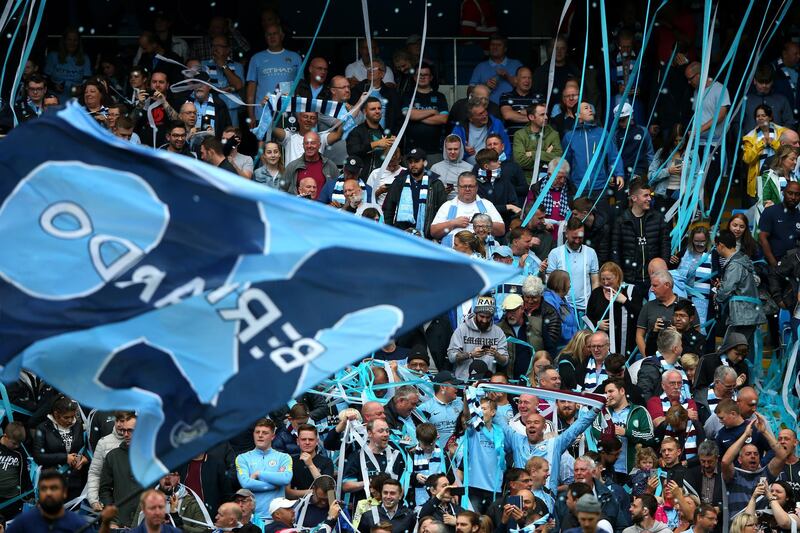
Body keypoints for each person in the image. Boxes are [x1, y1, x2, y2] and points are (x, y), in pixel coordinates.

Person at [684, 61, 731, 220]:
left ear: (699, 75)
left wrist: (700, 130)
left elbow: (721, 114)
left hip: (714, 144)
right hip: (698, 144)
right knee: (695, 181)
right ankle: (695, 215)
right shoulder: (696, 91)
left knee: (712, 182)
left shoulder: (719, 88)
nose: (689, 83)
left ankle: (715, 219)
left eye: (690, 79)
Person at [722, 414, 790, 518]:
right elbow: (725, 461)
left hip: (761, 527)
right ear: (739, 459)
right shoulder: (734, 475)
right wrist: (745, 435)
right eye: (748, 454)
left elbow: (782, 456)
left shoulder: (765, 473)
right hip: (738, 527)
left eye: (756, 454)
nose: (753, 456)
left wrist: (764, 431)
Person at [562, 102, 625, 210]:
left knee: (602, 221)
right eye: (586, 108)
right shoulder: (569, 136)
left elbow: (613, 155)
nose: (590, 110)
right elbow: (566, 163)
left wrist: (618, 173)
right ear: (577, 115)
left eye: (590, 107)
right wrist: (570, 183)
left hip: (600, 187)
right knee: (580, 221)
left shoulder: (602, 132)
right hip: (578, 188)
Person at [714, 229, 766, 353]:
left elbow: (727, 288)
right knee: (743, 350)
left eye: (716, 246)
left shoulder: (734, 264)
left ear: (721, 245)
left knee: (730, 350)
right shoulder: (742, 259)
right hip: (748, 313)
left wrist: (717, 296)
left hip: (741, 314)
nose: (715, 249)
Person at [612, 179, 670, 289]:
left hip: (654, 281)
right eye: (646, 195)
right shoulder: (621, 221)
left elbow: (665, 247)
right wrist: (621, 277)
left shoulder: (658, 219)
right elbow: (615, 252)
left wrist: (661, 273)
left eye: (650, 195)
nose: (649, 198)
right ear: (634, 198)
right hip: (630, 280)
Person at [7, 469, 105, 533]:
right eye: (44, 488)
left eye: (54, 488)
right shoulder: (22, 524)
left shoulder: (78, 524)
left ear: (64, 492)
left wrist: (106, 523)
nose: (48, 493)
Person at [591, 378, 655, 474]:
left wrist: (626, 432)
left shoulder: (640, 411)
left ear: (622, 391)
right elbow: (595, 430)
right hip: (608, 470)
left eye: (611, 391)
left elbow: (649, 436)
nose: (607, 395)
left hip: (634, 471)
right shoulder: (603, 411)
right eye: (606, 392)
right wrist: (610, 433)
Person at [33, 395, 88, 502]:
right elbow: (38, 456)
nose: (70, 420)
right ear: (56, 414)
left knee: (73, 516)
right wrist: (64, 457)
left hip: (74, 481)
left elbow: (83, 447)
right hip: (52, 481)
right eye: (66, 417)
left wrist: (85, 459)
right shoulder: (43, 428)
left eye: (72, 416)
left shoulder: (77, 426)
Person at [235, 418, 293, 518]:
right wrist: (275, 485)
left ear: (273, 436)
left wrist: (259, 474)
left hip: (278, 518)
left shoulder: (284, 457)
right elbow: (246, 483)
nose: (260, 435)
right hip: (254, 519)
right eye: (257, 432)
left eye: (265, 433)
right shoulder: (242, 458)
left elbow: (286, 478)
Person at [246, 23, 302, 126]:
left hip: (288, 113)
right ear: (265, 37)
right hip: (263, 113)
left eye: (275, 34)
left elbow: (300, 88)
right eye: (268, 34)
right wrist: (251, 115)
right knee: (264, 142)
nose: (272, 37)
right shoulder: (256, 58)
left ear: (282, 36)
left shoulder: (295, 57)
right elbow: (251, 89)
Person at [430, 171, 505, 244]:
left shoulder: (487, 204)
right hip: (452, 253)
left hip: (482, 252)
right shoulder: (447, 206)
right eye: (464, 186)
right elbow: (434, 232)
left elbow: (501, 230)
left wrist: (484, 223)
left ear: (476, 187)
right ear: (458, 188)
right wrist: (453, 223)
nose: (467, 189)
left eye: (471, 186)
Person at [586, 262, 641, 357]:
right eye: (602, 279)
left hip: (626, 342)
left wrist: (625, 301)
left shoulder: (630, 291)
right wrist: (597, 324)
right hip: (603, 345)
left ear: (618, 277)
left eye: (609, 279)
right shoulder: (596, 293)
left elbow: (640, 314)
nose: (606, 282)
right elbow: (588, 317)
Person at [546, 216, 600, 314]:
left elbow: (595, 281)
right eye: (574, 237)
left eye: (580, 237)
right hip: (561, 308)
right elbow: (550, 283)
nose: (577, 241)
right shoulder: (555, 253)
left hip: (585, 308)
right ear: (566, 234)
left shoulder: (591, 252)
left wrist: (594, 304)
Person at [447, 295, 509, 379]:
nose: (484, 320)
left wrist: (496, 355)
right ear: (476, 313)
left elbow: (505, 361)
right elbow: (451, 357)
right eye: (482, 316)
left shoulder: (498, 332)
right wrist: (470, 354)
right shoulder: (462, 330)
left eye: (488, 317)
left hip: (487, 382)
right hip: (463, 380)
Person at [99, 415, 143, 527]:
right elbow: (104, 490)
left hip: (145, 521)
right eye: (123, 431)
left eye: (130, 431)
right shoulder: (113, 456)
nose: (126, 434)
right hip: (119, 521)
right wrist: (112, 517)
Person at [88, 411, 136, 513]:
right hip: (113, 502)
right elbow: (95, 473)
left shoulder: (142, 444)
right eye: (116, 420)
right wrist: (93, 500)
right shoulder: (103, 443)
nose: (119, 424)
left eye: (122, 421)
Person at [744, 104, 788, 205]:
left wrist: (773, 143)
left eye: (763, 115)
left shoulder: (783, 132)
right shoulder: (749, 137)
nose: (760, 118)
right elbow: (747, 159)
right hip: (759, 178)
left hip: (780, 174)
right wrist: (760, 144)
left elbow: (787, 152)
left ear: (770, 117)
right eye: (758, 116)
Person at [403, 64, 449, 154]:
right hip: (412, 150)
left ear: (431, 77)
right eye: (419, 75)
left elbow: (443, 119)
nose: (422, 77)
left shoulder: (439, 96)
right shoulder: (408, 96)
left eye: (426, 75)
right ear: (414, 77)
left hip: (435, 150)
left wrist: (417, 117)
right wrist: (432, 111)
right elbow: (408, 114)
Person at [513, 102, 563, 183]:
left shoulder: (553, 134)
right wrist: (545, 158)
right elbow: (520, 161)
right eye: (542, 115)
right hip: (526, 181)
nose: (546, 117)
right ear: (531, 117)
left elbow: (558, 159)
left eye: (546, 114)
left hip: (548, 182)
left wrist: (534, 154)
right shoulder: (520, 135)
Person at [636, 270, 683, 357]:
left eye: (655, 286)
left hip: (679, 358)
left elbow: (696, 332)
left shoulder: (685, 304)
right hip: (654, 358)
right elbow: (639, 335)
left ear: (667, 285)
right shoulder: (648, 306)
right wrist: (647, 357)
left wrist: (678, 333)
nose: (652, 289)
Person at [450, 99, 511, 165]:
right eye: (480, 114)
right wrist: (463, 150)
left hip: (494, 165)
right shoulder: (459, 128)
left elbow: (506, 148)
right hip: (466, 168)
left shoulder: (496, 124)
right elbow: (450, 150)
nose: (484, 115)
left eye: (485, 111)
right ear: (471, 118)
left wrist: (499, 164)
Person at [347, 97, 396, 178]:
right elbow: (352, 151)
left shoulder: (386, 134)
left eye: (379, 108)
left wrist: (394, 148)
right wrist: (375, 144)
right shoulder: (356, 132)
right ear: (365, 112)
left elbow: (393, 159)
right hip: (363, 179)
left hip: (383, 179)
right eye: (373, 109)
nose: (377, 111)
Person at [468, 35, 523, 104]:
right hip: (487, 109)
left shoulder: (516, 64)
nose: (495, 47)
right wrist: (484, 86)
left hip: (512, 107)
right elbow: (469, 93)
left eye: (499, 45)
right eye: (492, 45)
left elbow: (525, 88)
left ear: (505, 49)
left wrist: (507, 77)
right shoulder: (480, 67)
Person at [282, 131, 340, 198]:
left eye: (313, 143)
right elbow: (282, 191)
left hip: (322, 207)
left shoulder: (330, 166)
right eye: (306, 143)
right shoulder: (292, 166)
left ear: (319, 145)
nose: (309, 146)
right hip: (299, 207)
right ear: (303, 145)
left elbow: (339, 189)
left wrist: (333, 203)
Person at [759, 180, 800, 267]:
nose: (793, 197)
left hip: (795, 263)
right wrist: (774, 264)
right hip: (774, 262)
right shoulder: (770, 212)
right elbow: (762, 238)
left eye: (797, 194)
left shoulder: (799, 215)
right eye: (790, 193)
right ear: (783, 193)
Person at [418, 371, 464, 449]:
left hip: (460, 454)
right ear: (443, 387)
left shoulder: (461, 404)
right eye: (454, 385)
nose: (457, 388)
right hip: (437, 456)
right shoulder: (425, 408)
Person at [744, 63, 794, 132]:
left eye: (767, 82)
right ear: (754, 81)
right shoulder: (745, 100)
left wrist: (781, 138)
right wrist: (743, 139)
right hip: (749, 141)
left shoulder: (782, 100)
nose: (764, 85)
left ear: (772, 81)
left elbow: (790, 123)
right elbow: (736, 124)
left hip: (777, 141)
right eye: (761, 82)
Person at [44, 28, 91, 101]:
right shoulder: (53, 56)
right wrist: (53, 86)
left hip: (76, 97)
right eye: (69, 40)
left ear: (78, 42)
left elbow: (87, 79)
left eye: (75, 40)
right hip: (54, 96)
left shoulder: (85, 58)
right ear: (64, 41)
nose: (72, 43)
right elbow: (45, 77)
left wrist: (81, 88)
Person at [613, 103, 655, 181]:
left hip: (640, 171)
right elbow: (613, 156)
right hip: (622, 173)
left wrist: (650, 172)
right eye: (619, 120)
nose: (621, 122)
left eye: (623, 119)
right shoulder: (615, 134)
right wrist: (614, 174)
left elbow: (650, 153)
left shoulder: (643, 131)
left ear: (631, 116)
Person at [757, 145, 799, 216]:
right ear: (781, 159)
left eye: (796, 159)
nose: (795, 162)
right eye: (792, 159)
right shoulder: (768, 177)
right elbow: (763, 202)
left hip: (793, 218)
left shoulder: (796, 179)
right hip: (774, 219)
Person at [499, 66, 542, 137]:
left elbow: (542, 117)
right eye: (524, 77)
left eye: (529, 78)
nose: (527, 81)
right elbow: (508, 115)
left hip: (535, 143)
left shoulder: (539, 97)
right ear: (516, 80)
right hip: (513, 143)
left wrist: (516, 112)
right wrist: (533, 117)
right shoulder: (506, 96)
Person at [0, 422, 29, 519]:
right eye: (14, 443)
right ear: (5, 436)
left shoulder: (20, 452)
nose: (17, 446)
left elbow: (24, 473)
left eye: (20, 443)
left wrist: (28, 492)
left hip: (13, 498)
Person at [431, 135, 474, 199]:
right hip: (441, 205)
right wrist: (441, 192)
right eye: (449, 149)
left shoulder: (470, 168)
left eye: (456, 149)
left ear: (461, 149)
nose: (452, 152)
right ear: (445, 149)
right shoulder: (435, 168)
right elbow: (430, 193)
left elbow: (474, 191)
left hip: (465, 204)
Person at [776, 429, 800, 500]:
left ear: (795, 442)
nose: (782, 442)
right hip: (778, 509)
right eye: (779, 439)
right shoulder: (773, 467)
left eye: (786, 439)